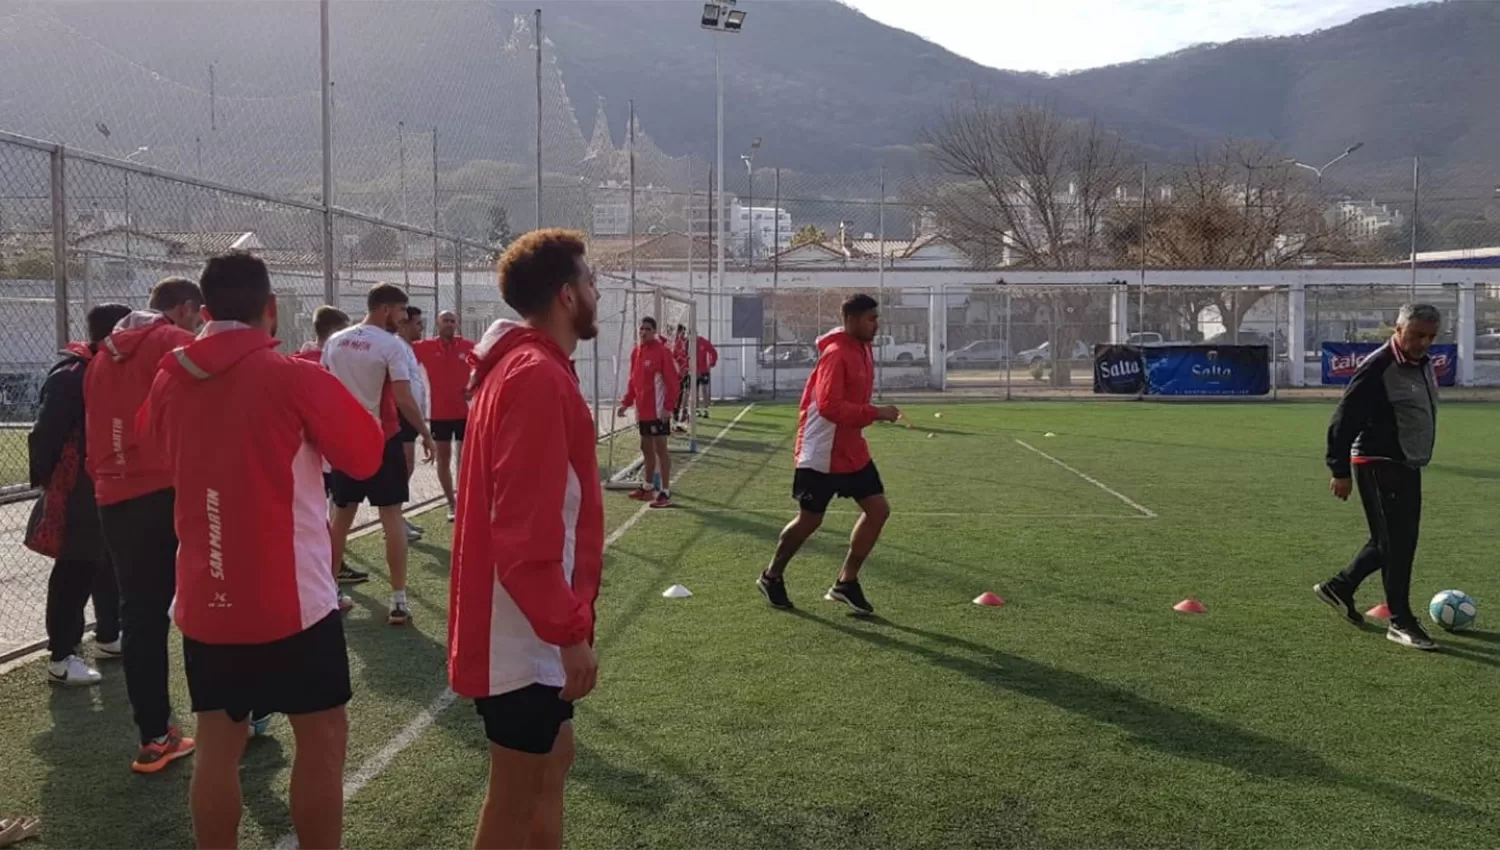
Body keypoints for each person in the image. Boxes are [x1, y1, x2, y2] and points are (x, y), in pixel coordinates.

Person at [136, 251, 383, 850]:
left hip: (204, 596)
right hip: (291, 602)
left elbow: (151, 450)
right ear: (270, 311)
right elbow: (366, 456)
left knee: (218, 744)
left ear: (204, 310)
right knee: (322, 738)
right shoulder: (292, 375)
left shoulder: (171, 375)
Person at [450, 229, 602, 850]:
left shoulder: (523, 366)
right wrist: (568, 634)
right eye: (592, 281)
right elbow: (523, 534)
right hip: (520, 633)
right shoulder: (534, 374)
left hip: (526, 623)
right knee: (514, 795)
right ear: (568, 295)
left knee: (551, 765)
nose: (598, 292)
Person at [84, 277, 203, 773]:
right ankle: (235, 713)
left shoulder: (101, 355)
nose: (200, 324)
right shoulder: (174, 342)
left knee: (140, 612)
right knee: (204, 595)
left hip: (113, 493)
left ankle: (154, 734)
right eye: (198, 315)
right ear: (184, 309)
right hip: (166, 487)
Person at [757, 294, 900, 616]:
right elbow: (830, 407)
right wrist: (875, 412)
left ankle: (846, 582)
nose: (876, 325)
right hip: (821, 451)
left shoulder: (863, 349)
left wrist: (868, 415)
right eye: (870, 319)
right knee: (810, 520)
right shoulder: (835, 354)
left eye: (876, 318)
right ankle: (771, 575)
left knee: (878, 510)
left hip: (851, 449)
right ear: (850, 319)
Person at [1316, 302, 1442, 651]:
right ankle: (1400, 621)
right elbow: (1344, 419)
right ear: (1397, 331)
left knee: (1388, 540)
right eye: (1417, 335)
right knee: (1398, 544)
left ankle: (1340, 586)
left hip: (1407, 463)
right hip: (1378, 460)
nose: (1424, 343)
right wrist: (1338, 470)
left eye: (1431, 337)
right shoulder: (1379, 367)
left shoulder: (1422, 364)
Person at [28, 302, 131, 687]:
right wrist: (49, 481)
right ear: (114, 333)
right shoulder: (73, 374)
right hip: (76, 487)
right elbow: (45, 433)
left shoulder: (107, 368)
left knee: (105, 561)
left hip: (104, 483)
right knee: (74, 568)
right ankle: (61, 656)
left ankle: (108, 635)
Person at [322, 284, 434, 626]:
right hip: (381, 440)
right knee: (392, 518)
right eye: (402, 312)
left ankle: (329, 593)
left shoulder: (335, 341)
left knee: (340, 517)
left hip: (345, 441)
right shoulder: (391, 345)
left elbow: (327, 387)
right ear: (386, 309)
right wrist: (425, 432)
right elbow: (402, 397)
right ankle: (399, 600)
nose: (403, 319)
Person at [293, 306, 367, 608]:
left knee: (326, 519)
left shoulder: (299, 359)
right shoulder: (323, 363)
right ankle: (328, 588)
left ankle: (333, 572)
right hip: (325, 457)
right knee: (321, 524)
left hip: (312, 459)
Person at [413, 310, 474, 522]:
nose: (449, 324)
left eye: (452, 321)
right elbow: (400, 349)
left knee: (467, 459)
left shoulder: (469, 347)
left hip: (466, 413)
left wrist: (474, 387)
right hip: (439, 414)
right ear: (438, 324)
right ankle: (451, 502)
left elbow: (485, 367)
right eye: (445, 321)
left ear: (457, 324)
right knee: (443, 458)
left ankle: (467, 500)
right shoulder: (425, 347)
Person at [616, 316, 679, 509]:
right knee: (645, 449)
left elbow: (672, 382)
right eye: (641, 328)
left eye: (647, 329)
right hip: (642, 411)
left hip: (658, 411)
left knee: (661, 450)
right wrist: (626, 403)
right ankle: (648, 486)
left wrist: (668, 407)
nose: (643, 332)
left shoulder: (662, 352)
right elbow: (633, 381)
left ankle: (665, 492)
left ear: (654, 331)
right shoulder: (636, 352)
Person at [395, 306, 428, 542]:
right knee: (403, 467)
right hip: (401, 416)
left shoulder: (407, 348)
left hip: (409, 416)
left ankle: (397, 516)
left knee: (407, 467)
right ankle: (394, 520)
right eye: (417, 323)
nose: (421, 328)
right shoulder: (397, 346)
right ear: (404, 324)